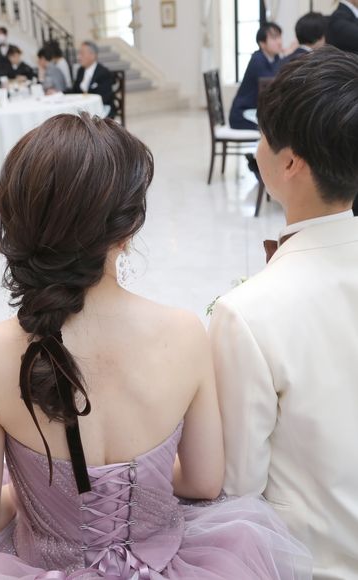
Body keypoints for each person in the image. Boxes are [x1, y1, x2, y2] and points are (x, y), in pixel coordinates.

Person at [0, 113, 312, 578]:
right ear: (127, 231)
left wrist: (39, 494)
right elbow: (203, 482)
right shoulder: (185, 333)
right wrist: (141, 486)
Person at [210, 46, 358, 580]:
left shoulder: (247, 313)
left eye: (262, 134)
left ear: (290, 161)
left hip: (312, 565)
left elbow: (238, 487)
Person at [229, 22, 282, 130]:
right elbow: (271, 84)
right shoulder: (257, 59)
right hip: (242, 115)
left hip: (255, 112)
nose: (279, 42)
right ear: (262, 43)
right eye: (274, 38)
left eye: (280, 37)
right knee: (277, 128)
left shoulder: (275, 58)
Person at [68, 41, 115, 117]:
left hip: (100, 109)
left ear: (93, 55)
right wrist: (60, 92)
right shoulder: (81, 71)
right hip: (84, 108)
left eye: (82, 54)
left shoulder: (103, 73)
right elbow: (75, 90)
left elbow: (105, 97)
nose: (78, 57)